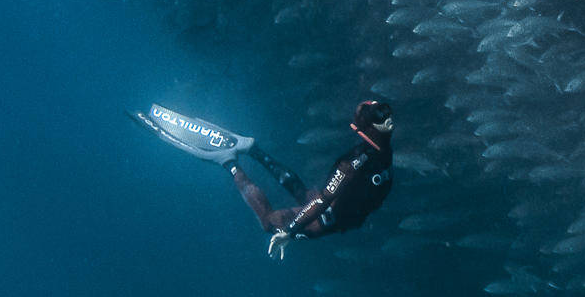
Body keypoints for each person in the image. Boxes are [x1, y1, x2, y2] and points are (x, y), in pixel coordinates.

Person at [135, 99, 395, 257]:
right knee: (271, 224)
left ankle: (254, 150)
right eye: (380, 117)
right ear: (367, 127)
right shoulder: (353, 163)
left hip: (342, 211)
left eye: (385, 112)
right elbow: (325, 200)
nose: (388, 118)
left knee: (306, 195)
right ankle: (228, 162)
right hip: (329, 216)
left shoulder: (380, 146)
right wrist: (288, 233)